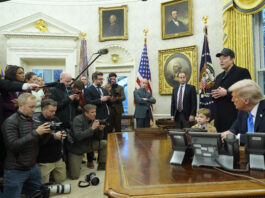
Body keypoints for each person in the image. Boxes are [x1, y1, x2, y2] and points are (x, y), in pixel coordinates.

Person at [1, 93, 52, 198]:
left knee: (38, 195)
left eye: (35, 106)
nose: (34, 110)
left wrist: (47, 134)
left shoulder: (32, 119)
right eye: (31, 107)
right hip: (15, 170)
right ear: (20, 106)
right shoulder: (10, 122)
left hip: (33, 167)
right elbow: (13, 146)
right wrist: (36, 133)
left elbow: (39, 143)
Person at [211, 48, 251, 132]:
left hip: (234, 118)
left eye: (224, 58)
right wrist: (213, 95)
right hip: (219, 120)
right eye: (220, 59)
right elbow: (216, 96)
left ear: (232, 59)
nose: (221, 61)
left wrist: (227, 93)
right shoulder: (218, 77)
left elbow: (248, 91)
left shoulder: (242, 72)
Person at [67, 104, 107, 179]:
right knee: (74, 176)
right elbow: (78, 136)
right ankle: (71, 164)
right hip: (77, 148)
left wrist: (100, 130)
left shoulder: (94, 120)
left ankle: (102, 165)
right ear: (86, 113)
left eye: (95, 112)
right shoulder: (77, 119)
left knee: (104, 143)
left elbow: (99, 138)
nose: (94, 114)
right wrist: (92, 129)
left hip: (88, 145)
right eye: (92, 112)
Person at [221, 79, 265, 145]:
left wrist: (238, 138)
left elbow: (261, 139)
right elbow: (234, 130)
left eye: (234, 97)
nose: (232, 100)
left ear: (246, 100)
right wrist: (227, 134)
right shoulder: (243, 111)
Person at [33, 99, 66, 184]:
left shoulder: (55, 118)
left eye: (55, 111)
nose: (54, 113)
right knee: (43, 185)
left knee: (62, 180)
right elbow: (39, 141)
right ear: (43, 109)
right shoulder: (37, 121)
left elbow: (62, 130)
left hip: (57, 156)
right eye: (51, 111)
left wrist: (63, 134)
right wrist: (54, 136)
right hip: (44, 159)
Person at [84, 71, 110, 168]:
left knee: (103, 140)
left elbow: (107, 103)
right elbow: (88, 102)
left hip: (104, 117)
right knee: (93, 139)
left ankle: (102, 161)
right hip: (94, 118)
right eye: (100, 79)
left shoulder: (103, 90)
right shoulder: (88, 90)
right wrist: (100, 100)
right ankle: (90, 160)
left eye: (102, 79)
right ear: (94, 79)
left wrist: (110, 99)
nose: (101, 80)